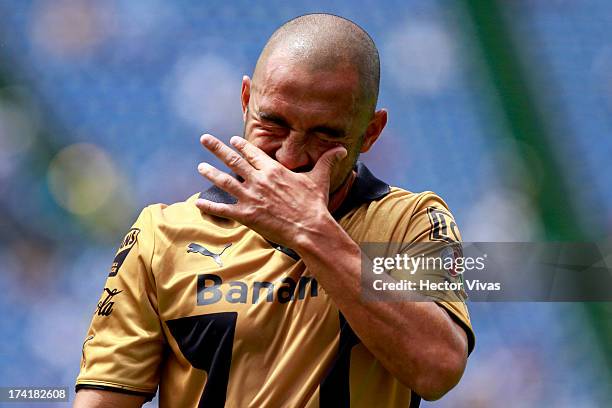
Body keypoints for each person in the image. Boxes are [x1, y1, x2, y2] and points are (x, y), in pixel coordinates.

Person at [74, 13, 474, 408]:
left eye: (324, 134)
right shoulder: (161, 235)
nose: (290, 156)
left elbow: (438, 368)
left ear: (371, 132)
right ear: (247, 101)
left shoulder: (411, 222)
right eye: (274, 124)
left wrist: (311, 231)